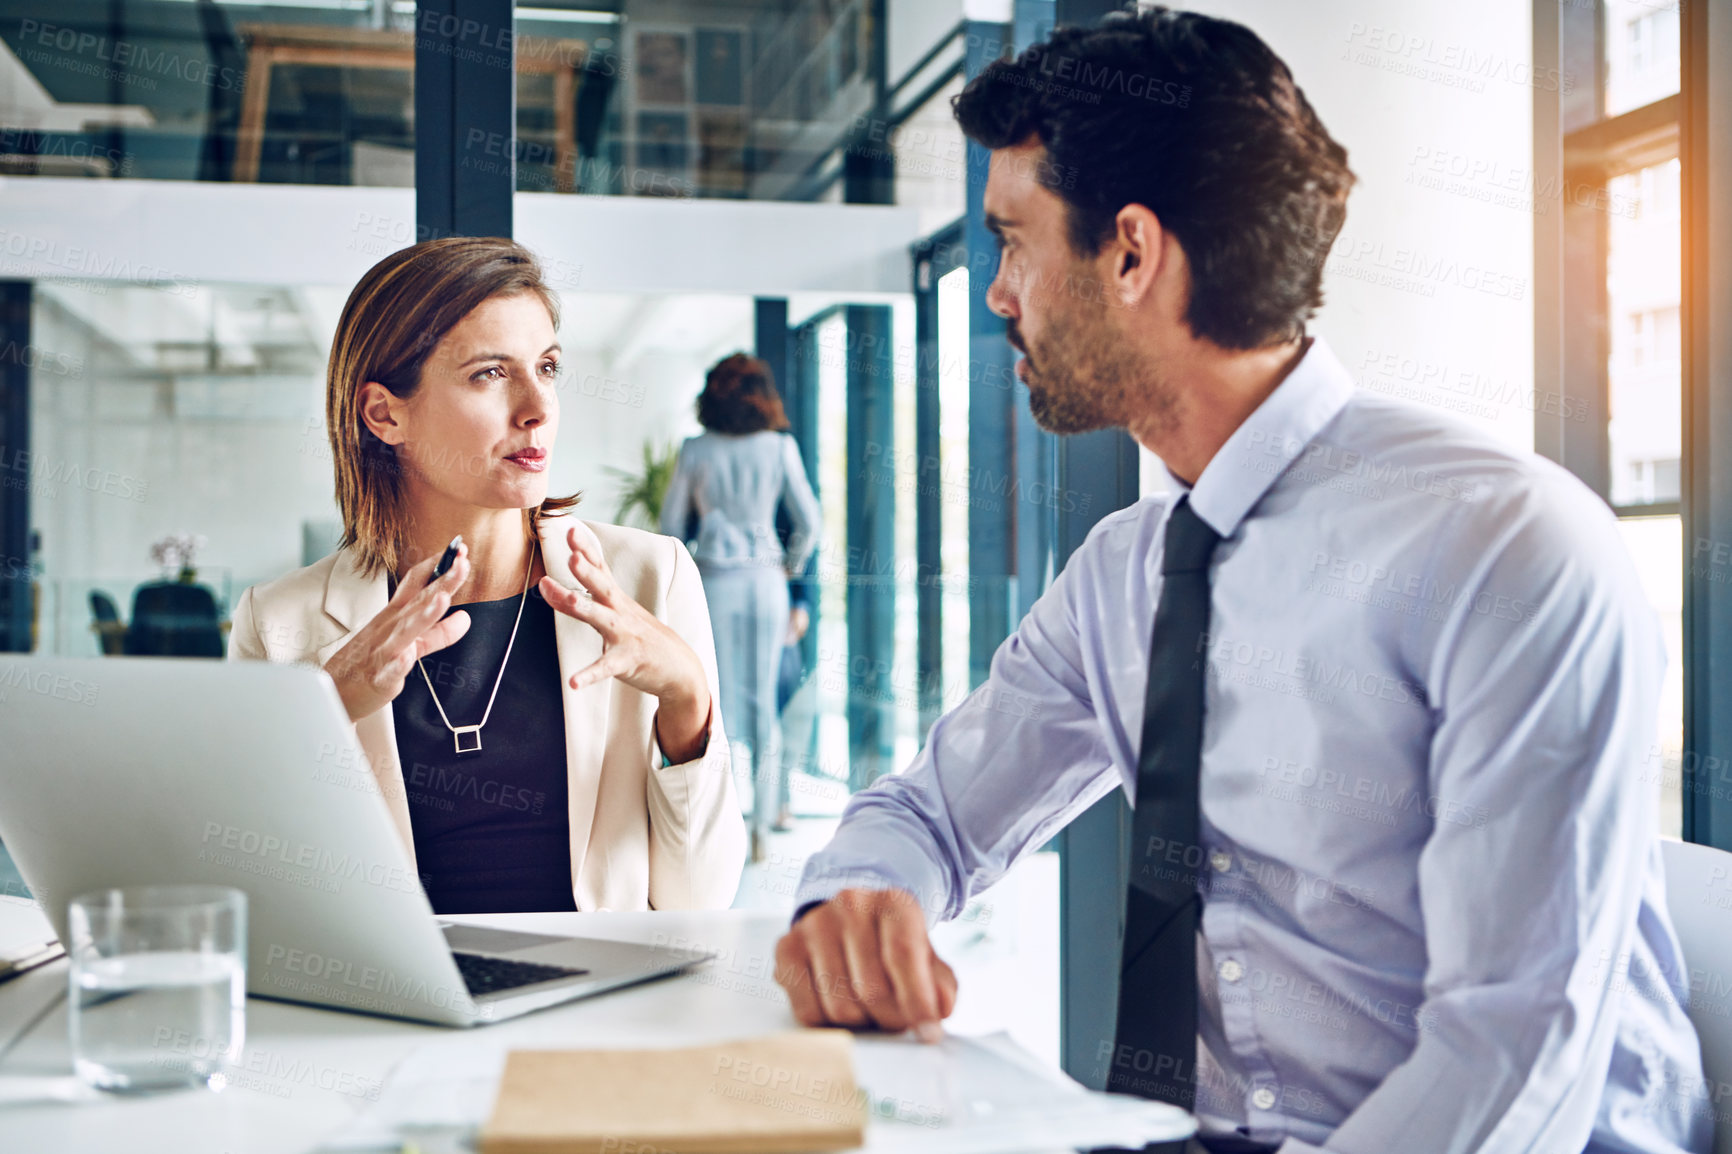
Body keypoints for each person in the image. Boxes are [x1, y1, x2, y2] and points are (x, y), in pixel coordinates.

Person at [773, 9, 1709, 1154]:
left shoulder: (1503, 547)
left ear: (1129, 251)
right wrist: (861, 899)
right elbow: (926, 814)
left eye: (1014, 243)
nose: (996, 294)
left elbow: (1511, 1053)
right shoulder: (1125, 573)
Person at [228, 236, 745, 914]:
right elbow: (253, 897)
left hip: (598, 1009)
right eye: (489, 374)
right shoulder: (279, 624)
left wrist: (686, 699)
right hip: (393, 1011)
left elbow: (698, 903)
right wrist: (325, 703)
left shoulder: (651, 577)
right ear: (385, 414)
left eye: (548, 367)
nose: (538, 407)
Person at [660, 354, 821, 863]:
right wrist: (787, 568)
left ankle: (721, 826)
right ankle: (762, 828)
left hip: (713, 583)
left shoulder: (695, 449)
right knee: (764, 708)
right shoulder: (779, 447)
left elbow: (669, 526)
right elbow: (810, 523)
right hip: (765, 582)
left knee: (717, 703)